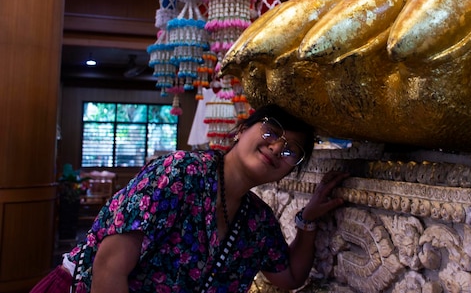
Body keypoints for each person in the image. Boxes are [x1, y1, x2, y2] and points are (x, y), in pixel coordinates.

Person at [31, 104, 348, 293]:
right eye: (271, 132)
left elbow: (289, 277)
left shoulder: (257, 222)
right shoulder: (181, 173)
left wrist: (307, 222)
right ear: (241, 129)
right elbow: (109, 268)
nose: (278, 148)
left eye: (291, 150)